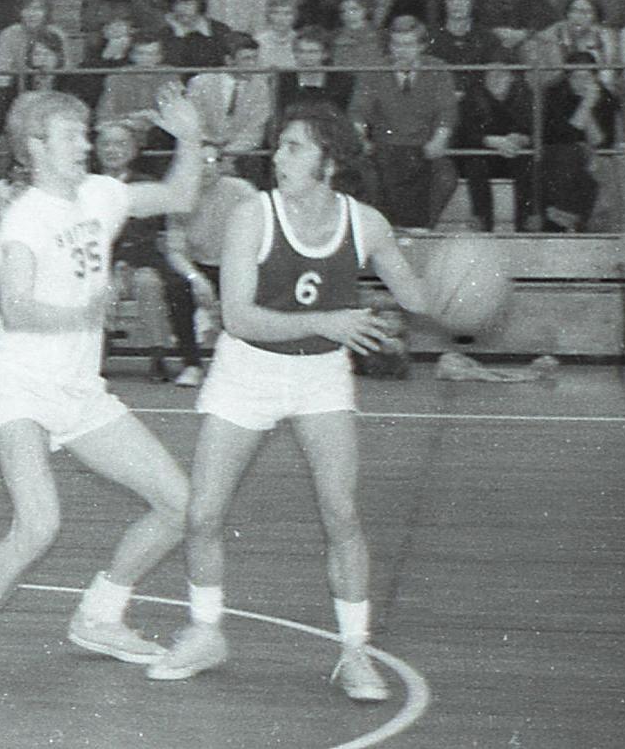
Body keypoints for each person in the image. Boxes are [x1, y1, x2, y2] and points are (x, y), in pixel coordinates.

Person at [145, 104, 450, 701]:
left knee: (341, 514)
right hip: (247, 373)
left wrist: (460, 288)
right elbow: (239, 317)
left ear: (328, 162)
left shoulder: (366, 225)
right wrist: (332, 319)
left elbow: (419, 296)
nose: (277, 156)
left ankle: (355, 653)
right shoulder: (251, 217)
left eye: (292, 147)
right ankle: (206, 632)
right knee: (202, 514)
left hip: (320, 378)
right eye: (279, 145)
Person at [0, 84, 208, 697]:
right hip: (23, 387)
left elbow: (180, 192)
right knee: (38, 525)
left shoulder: (100, 195)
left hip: (80, 389)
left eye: (85, 134)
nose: (84, 145)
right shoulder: (25, 221)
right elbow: (19, 310)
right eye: (70, 137)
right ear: (36, 147)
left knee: (179, 505)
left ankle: (100, 615)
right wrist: (89, 309)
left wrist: (190, 136)